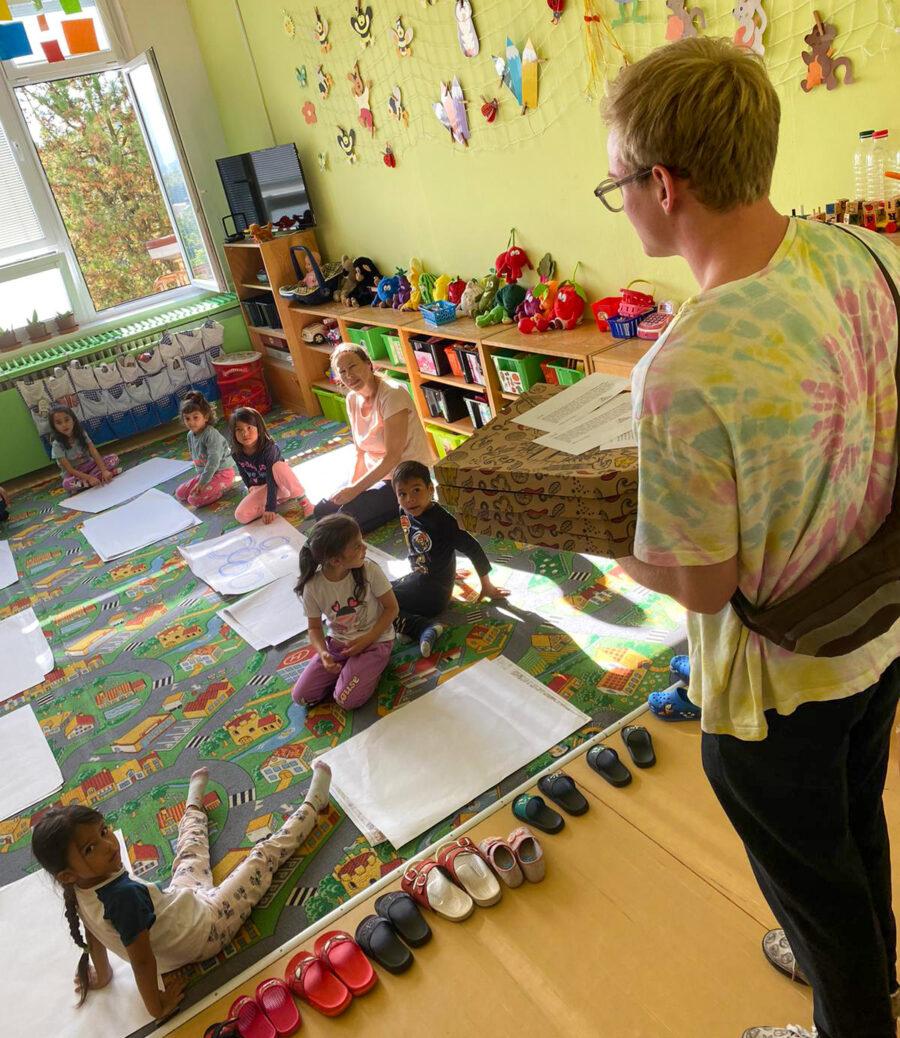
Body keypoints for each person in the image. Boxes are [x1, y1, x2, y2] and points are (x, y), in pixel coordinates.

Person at [600, 37, 899, 1038]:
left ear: (665, 183)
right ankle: (864, 969)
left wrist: (609, 540)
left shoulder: (684, 367)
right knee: (853, 828)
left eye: (617, 185)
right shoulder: (861, 252)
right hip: (875, 625)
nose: (622, 201)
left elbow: (701, 582)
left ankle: (848, 1012)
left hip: (776, 688)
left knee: (813, 876)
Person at [31, 763, 332, 1023]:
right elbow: (142, 962)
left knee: (189, 855)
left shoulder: (78, 888)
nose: (109, 845)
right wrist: (156, 1008)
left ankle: (193, 807)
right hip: (208, 926)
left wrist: (104, 973)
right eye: (90, 848)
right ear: (68, 874)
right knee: (262, 857)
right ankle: (312, 806)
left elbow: (94, 934)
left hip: (181, 904)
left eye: (104, 831)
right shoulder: (122, 898)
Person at [391, 460, 507, 657]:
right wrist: (448, 570)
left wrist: (486, 585)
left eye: (416, 490)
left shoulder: (443, 522)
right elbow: (427, 548)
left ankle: (420, 627)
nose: (409, 499)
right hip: (420, 577)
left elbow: (474, 548)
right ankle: (408, 625)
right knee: (379, 591)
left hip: (434, 594)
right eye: (402, 494)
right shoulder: (406, 511)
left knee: (379, 600)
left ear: (430, 489)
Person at [313, 344, 431, 532]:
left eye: (353, 366)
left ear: (369, 364)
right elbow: (360, 451)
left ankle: (403, 505)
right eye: (342, 372)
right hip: (376, 471)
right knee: (323, 509)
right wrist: (352, 486)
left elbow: (392, 457)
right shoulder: (352, 399)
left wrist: (355, 491)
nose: (349, 376)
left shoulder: (392, 394)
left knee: (343, 520)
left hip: (403, 475)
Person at [292, 513, 398, 711]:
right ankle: (350, 672)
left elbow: (392, 608)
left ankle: (365, 669)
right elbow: (314, 628)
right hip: (338, 645)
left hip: (376, 641)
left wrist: (367, 640)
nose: (365, 547)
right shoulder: (313, 587)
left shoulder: (370, 571)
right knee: (301, 697)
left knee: (345, 700)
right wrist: (323, 653)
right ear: (335, 561)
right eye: (357, 545)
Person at [228, 406, 312, 525]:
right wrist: (251, 487)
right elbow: (243, 472)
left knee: (279, 466)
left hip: (278, 483)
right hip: (263, 489)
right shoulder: (236, 453)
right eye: (239, 429)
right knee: (241, 516)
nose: (245, 433)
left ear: (259, 428)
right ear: (233, 432)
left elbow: (271, 479)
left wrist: (270, 508)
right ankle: (281, 498)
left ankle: (305, 502)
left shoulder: (270, 449)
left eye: (249, 427)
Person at [173, 392, 235, 508]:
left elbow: (213, 462)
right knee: (180, 493)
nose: (191, 422)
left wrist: (202, 483)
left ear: (205, 417)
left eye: (195, 417)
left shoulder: (211, 435)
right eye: (187, 418)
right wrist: (201, 479)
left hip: (223, 472)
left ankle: (224, 488)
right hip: (206, 474)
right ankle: (208, 485)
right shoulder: (190, 435)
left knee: (194, 500)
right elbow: (197, 457)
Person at [48, 405, 120, 493]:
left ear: (73, 420)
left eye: (67, 420)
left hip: (90, 465)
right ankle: (100, 477)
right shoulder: (57, 445)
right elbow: (69, 469)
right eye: (59, 423)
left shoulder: (81, 433)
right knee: (67, 484)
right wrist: (89, 478)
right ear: (54, 426)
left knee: (114, 458)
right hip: (75, 473)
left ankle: (96, 478)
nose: (64, 425)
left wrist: (104, 470)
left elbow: (94, 452)